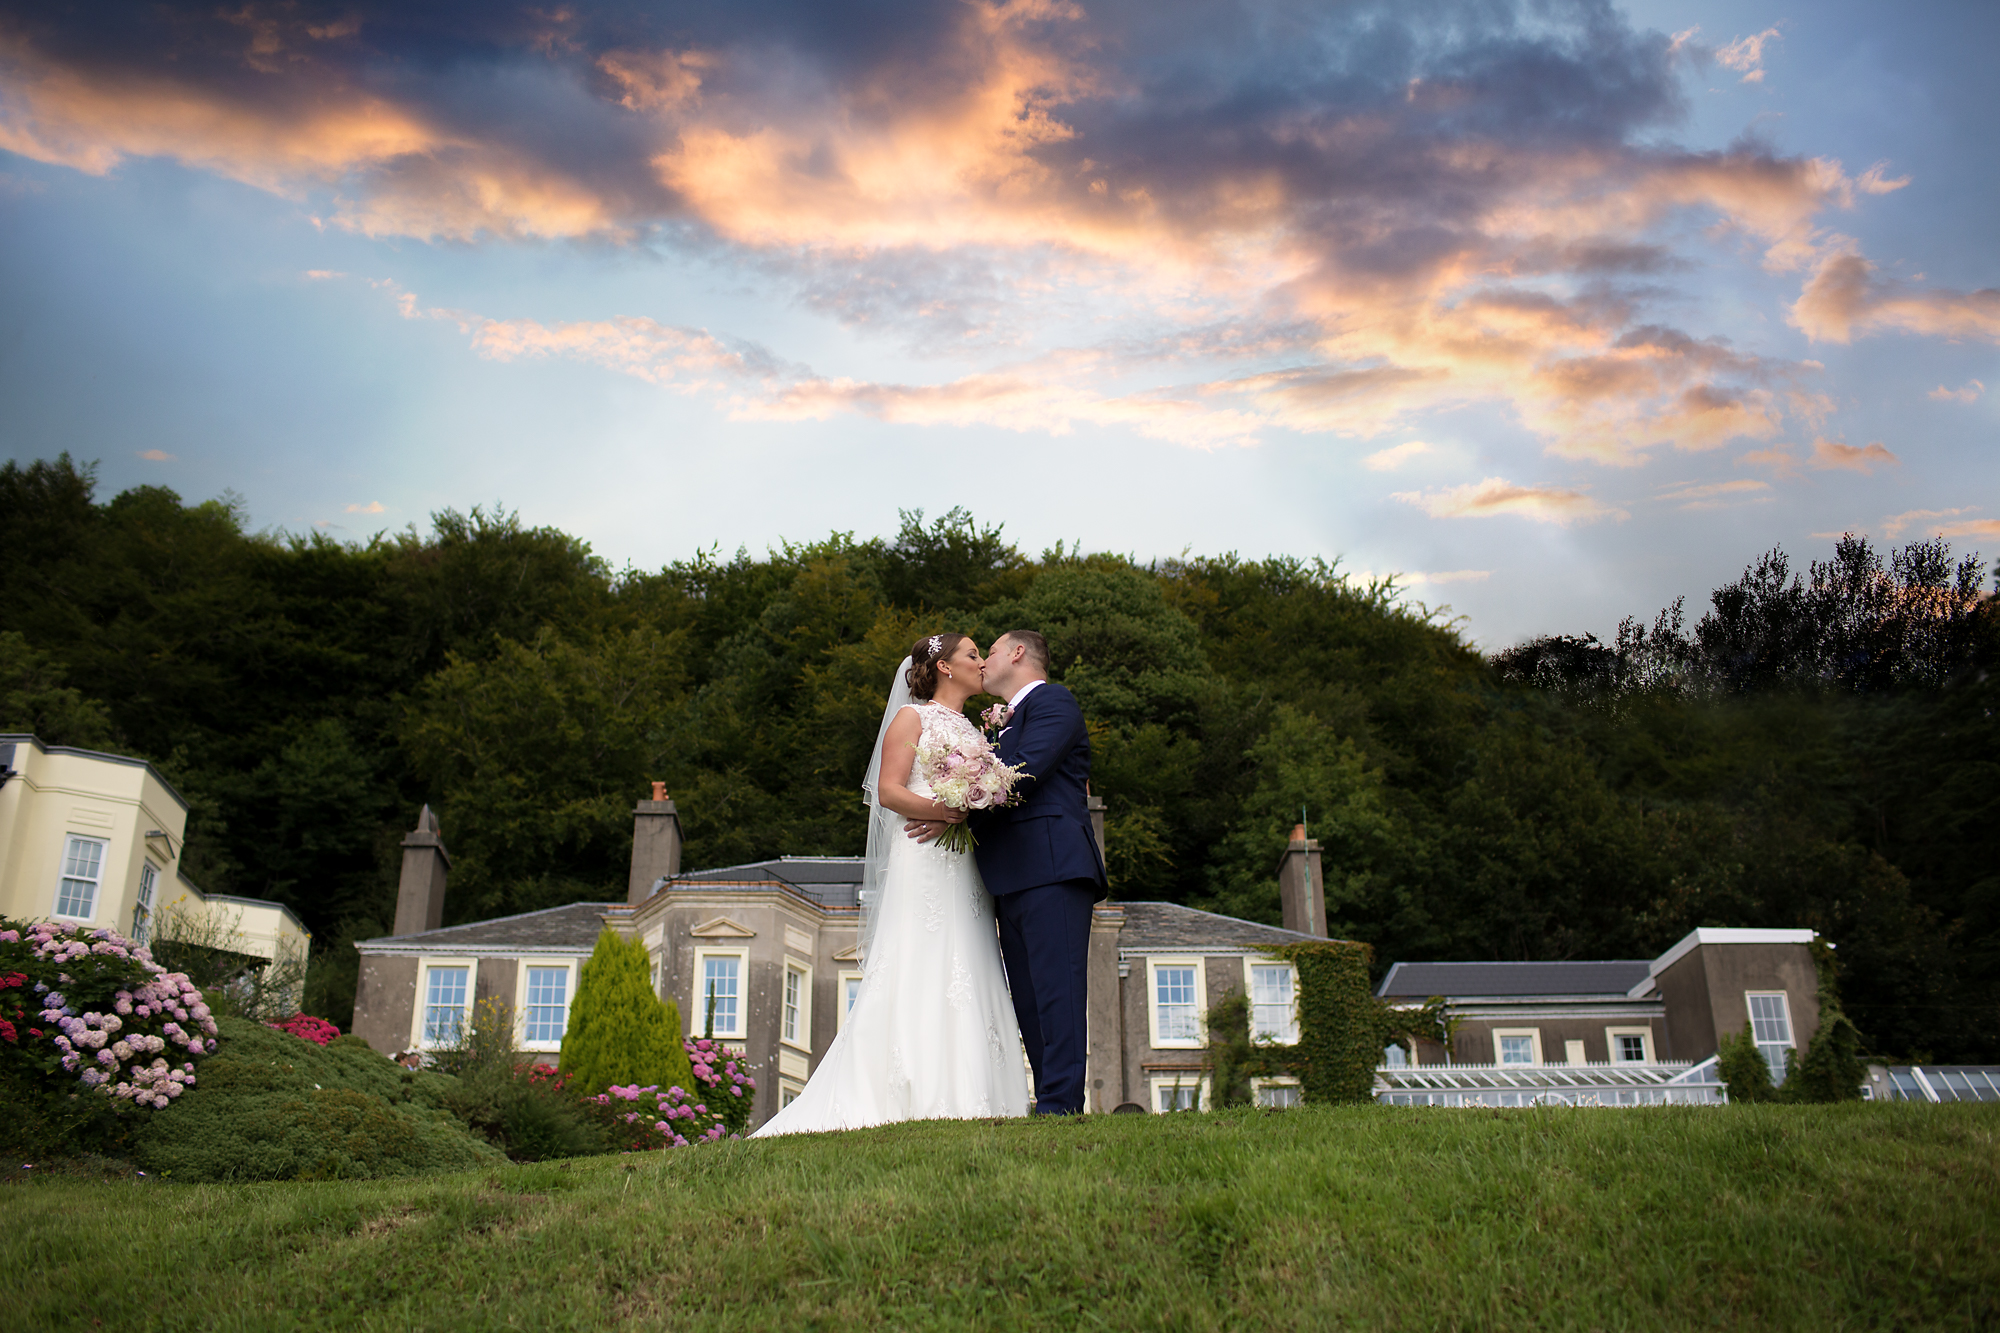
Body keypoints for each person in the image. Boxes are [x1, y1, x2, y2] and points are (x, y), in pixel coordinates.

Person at [753, 633, 1030, 1136]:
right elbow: (888, 790)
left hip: (963, 859)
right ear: (945, 667)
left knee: (968, 956)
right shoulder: (913, 718)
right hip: (922, 854)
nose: (980, 663)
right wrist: (945, 810)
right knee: (920, 955)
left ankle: (977, 1093)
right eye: (972, 655)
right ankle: (905, 1088)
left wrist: (969, 807)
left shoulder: (971, 725)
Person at [908, 630, 1107, 1116]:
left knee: (1057, 990)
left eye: (990, 651)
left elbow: (1023, 770)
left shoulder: (1054, 702)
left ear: (1017, 653)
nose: (983, 661)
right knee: (1030, 999)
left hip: (1053, 867)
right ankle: (1050, 1102)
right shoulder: (1000, 724)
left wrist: (951, 807)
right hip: (1008, 876)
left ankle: (1061, 1105)